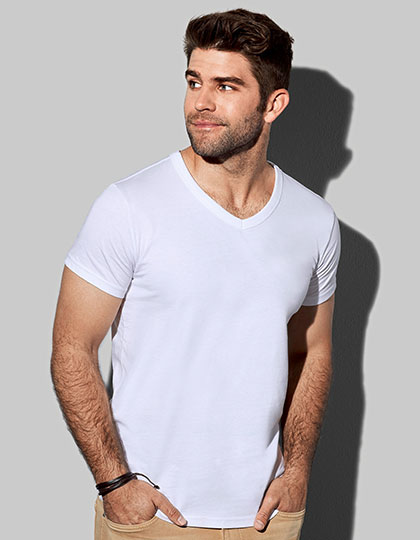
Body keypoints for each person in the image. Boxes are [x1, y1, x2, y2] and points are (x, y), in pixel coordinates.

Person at [51, 8, 341, 540]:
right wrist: (115, 483)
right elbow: (72, 347)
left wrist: (297, 470)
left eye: (225, 86)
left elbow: (312, 351)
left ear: (273, 104)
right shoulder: (129, 206)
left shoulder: (314, 220)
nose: (200, 103)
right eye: (193, 82)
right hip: (152, 515)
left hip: (266, 519)